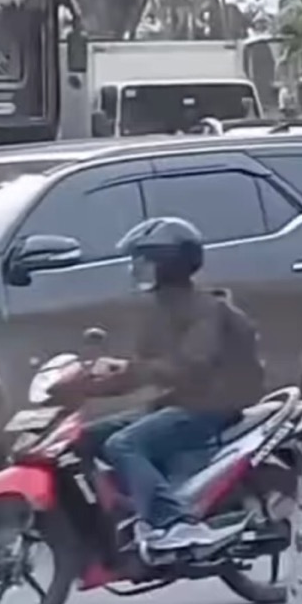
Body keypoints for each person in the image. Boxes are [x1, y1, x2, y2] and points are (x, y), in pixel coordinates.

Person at [53, 216, 264, 552]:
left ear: (170, 265)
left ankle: (174, 524)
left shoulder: (205, 310)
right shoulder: (162, 309)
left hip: (210, 406)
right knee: (83, 438)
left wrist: (128, 369)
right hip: (180, 402)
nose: (138, 269)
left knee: (123, 444)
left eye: (145, 260)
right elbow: (148, 371)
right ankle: (131, 508)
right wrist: (88, 384)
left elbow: (186, 368)